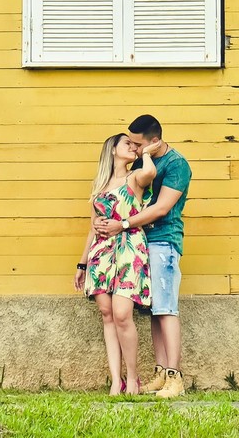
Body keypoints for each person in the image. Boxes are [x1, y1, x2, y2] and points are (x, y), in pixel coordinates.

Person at [95, 114, 192, 399]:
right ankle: (161, 374)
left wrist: (123, 224)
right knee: (153, 310)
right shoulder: (140, 163)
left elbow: (161, 208)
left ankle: (175, 378)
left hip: (164, 241)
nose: (135, 150)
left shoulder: (176, 165)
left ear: (154, 141)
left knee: (166, 309)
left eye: (139, 145)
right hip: (141, 243)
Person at [74, 133, 159, 395]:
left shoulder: (134, 178)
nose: (132, 147)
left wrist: (145, 154)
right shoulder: (99, 186)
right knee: (107, 316)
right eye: (127, 144)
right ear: (112, 150)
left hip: (129, 248)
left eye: (135, 145)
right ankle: (115, 380)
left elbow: (150, 173)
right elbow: (92, 228)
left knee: (123, 314)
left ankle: (133, 379)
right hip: (101, 254)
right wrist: (82, 263)